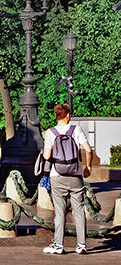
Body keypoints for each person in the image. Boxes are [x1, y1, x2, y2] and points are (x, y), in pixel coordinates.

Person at [42, 103, 93, 255]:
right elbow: (88, 150)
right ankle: (81, 245)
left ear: (56, 116)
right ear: (68, 115)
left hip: (57, 175)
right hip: (75, 175)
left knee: (60, 211)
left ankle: (58, 245)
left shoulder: (50, 132)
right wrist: (88, 166)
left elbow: (46, 156)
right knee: (79, 210)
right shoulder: (76, 130)